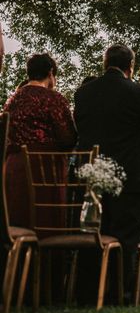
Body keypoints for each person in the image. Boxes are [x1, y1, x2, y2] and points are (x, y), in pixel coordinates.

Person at [74, 44, 140, 303]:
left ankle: (88, 295)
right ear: (130, 67)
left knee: (92, 236)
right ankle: (119, 295)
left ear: (105, 63)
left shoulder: (84, 93)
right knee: (126, 240)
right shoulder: (139, 93)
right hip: (129, 177)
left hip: (92, 177)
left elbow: (81, 131)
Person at [3, 53, 77, 229]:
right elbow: (68, 139)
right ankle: (47, 255)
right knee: (46, 221)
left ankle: (20, 255)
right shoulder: (54, 99)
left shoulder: (12, 100)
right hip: (45, 169)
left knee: (19, 218)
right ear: (51, 73)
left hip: (15, 166)